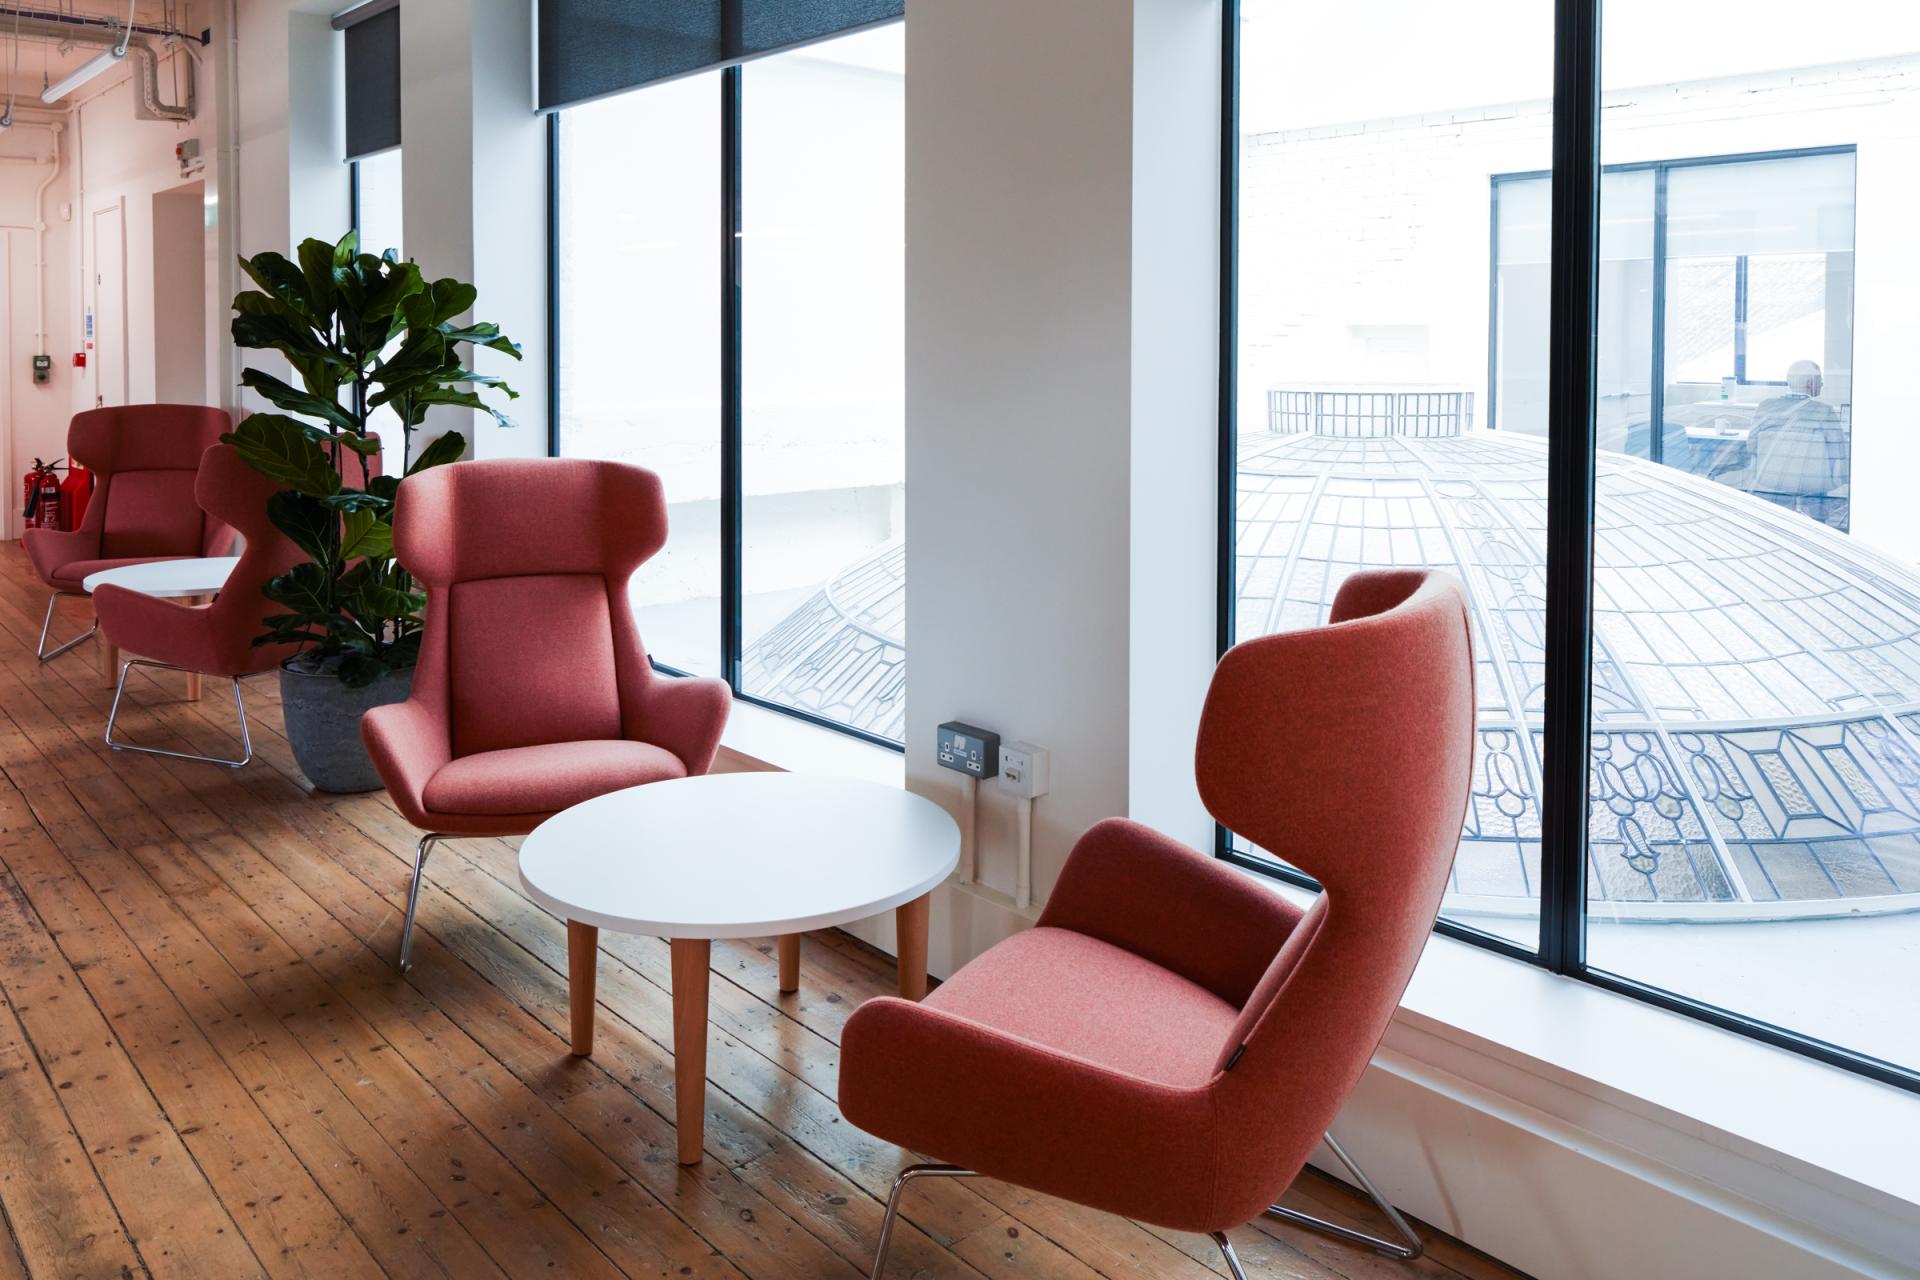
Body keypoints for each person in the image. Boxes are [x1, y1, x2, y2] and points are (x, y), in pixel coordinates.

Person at [1746, 359, 1849, 530]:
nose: (1822, 383)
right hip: (1813, 488)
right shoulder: (1824, 411)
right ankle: (1817, 527)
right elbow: (1839, 453)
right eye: (1820, 379)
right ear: (1811, 382)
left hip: (1772, 482)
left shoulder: (1766, 407)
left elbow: (1751, 446)